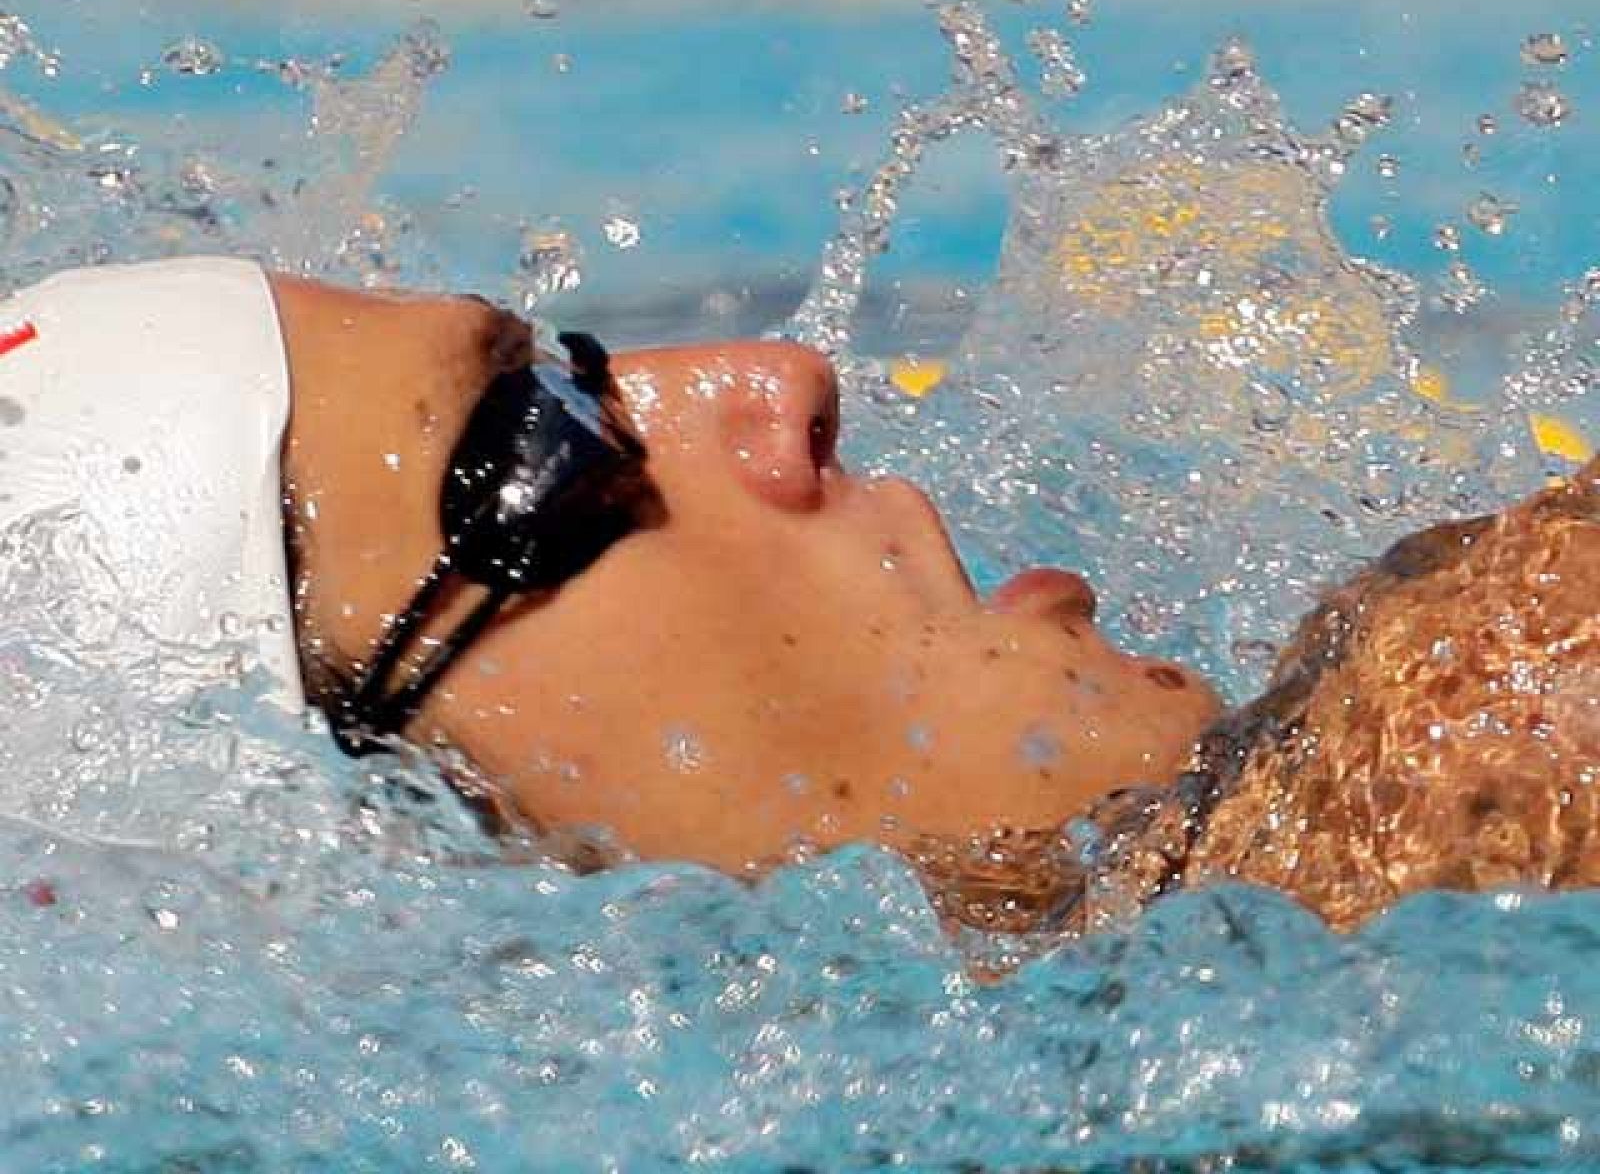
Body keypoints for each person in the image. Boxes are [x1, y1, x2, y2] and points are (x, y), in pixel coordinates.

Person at [2, 256, 1593, 937]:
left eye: (578, 368)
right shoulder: (1512, 690)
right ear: (384, 844)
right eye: (534, 449)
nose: (782, 380)